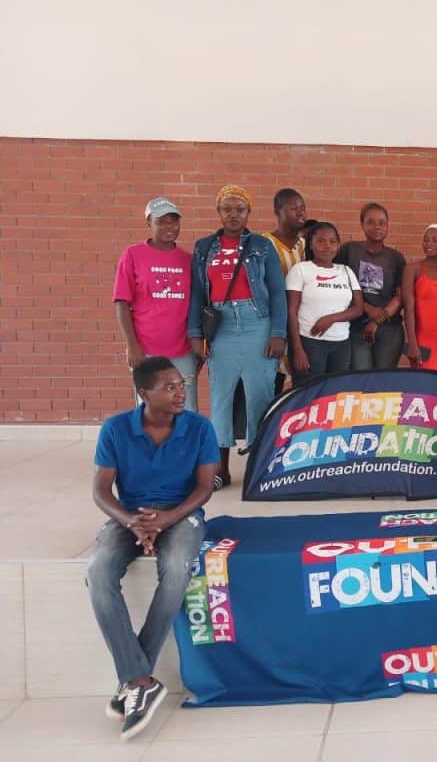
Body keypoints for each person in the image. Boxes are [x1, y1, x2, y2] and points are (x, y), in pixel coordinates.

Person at [86, 357, 218, 740]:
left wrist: (167, 519)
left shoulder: (199, 427)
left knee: (177, 567)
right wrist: (132, 522)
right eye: (169, 387)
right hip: (130, 516)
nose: (180, 393)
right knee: (97, 571)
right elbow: (100, 490)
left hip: (181, 513)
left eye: (181, 385)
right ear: (144, 393)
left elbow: (204, 488)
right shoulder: (116, 428)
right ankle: (141, 679)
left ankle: (134, 678)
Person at [187, 185, 286, 490]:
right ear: (218, 212)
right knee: (221, 400)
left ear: (248, 212)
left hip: (257, 324)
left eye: (239, 209)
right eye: (227, 209)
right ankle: (221, 471)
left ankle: (259, 469)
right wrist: (195, 334)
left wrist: (278, 333)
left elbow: (277, 291)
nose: (233, 215)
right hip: (221, 327)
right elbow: (197, 294)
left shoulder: (262, 246)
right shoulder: (204, 247)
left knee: (260, 398)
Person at [113, 197, 197, 411]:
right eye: (161, 221)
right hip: (146, 350)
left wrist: (198, 347)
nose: (169, 227)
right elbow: (121, 303)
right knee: (151, 412)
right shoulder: (133, 255)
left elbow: (197, 305)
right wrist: (132, 346)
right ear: (149, 223)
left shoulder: (188, 260)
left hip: (183, 351)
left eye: (173, 221)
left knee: (185, 409)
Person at [286, 221, 364, 383]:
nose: (327, 246)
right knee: (308, 392)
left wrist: (330, 319)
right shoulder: (301, 270)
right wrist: (298, 350)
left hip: (341, 344)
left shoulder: (346, 271)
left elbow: (358, 309)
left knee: (334, 393)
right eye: (320, 241)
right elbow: (291, 311)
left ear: (338, 244)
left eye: (332, 241)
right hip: (310, 343)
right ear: (311, 244)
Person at [339, 203, 406, 370]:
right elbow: (340, 286)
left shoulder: (395, 257)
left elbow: (400, 296)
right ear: (362, 224)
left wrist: (377, 320)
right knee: (361, 377)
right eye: (371, 222)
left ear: (387, 226)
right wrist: (367, 308)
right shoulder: (349, 250)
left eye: (382, 223)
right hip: (356, 325)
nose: (377, 227)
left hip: (389, 327)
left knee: (384, 379)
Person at [264, 187, 308, 394]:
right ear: (277, 211)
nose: (300, 212)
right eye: (293, 208)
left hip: (301, 325)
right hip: (274, 325)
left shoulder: (307, 246)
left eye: (302, 208)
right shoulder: (264, 245)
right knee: (272, 385)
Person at [402, 223, 437, 372]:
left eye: (435, 240)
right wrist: (412, 343)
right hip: (421, 338)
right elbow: (408, 308)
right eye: (426, 240)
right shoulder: (412, 269)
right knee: (422, 382)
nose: (429, 244)